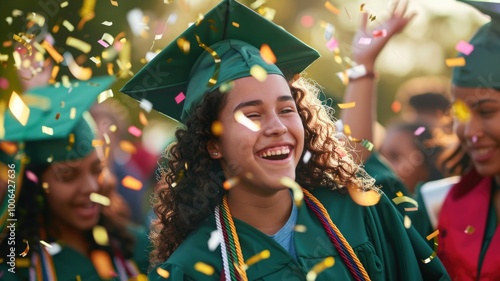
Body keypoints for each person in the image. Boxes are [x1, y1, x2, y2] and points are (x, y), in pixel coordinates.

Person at [121, 0, 449, 280]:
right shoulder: (194, 268)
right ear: (212, 142)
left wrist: (363, 68)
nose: (277, 126)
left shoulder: (359, 213)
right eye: (252, 115)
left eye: (286, 109)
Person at [0, 76, 149, 280]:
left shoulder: (140, 246)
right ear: (34, 185)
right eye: (68, 176)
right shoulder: (18, 269)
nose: (90, 187)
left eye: (97, 169)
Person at [436, 0, 500, 279]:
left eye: (486, 111)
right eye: (460, 112)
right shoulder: (442, 203)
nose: (469, 131)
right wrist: (363, 69)